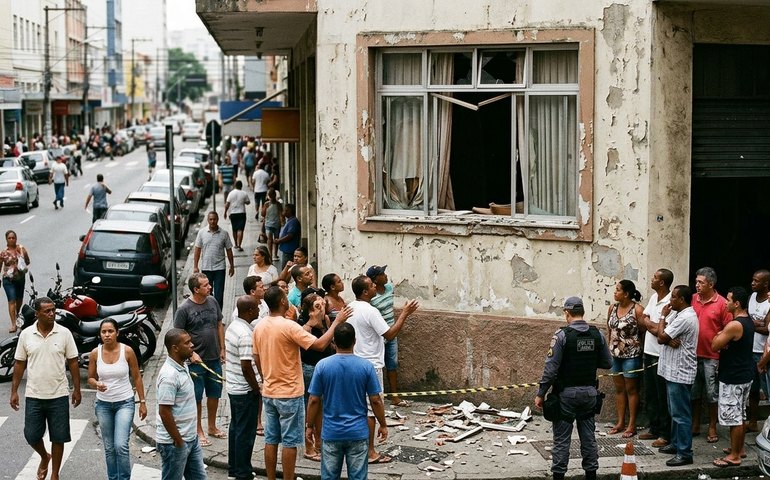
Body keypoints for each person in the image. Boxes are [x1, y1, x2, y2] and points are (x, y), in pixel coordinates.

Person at [253, 286, 350, 480]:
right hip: (289, 392)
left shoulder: (260, 326)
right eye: (285, 297)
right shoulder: (289, 326)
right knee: (289, 441)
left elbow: (256, 357)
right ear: (282, 302)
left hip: (270, 391)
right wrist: (337, 322)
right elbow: (320, 345)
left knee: (271, 439)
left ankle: (271, 478)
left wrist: (265, 379)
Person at [534, 296, 611, 480]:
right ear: (582, 312)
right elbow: (608, 362)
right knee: (589, 438)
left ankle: (559, 476)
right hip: (590, 394)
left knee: (561, 440)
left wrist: (540, 394)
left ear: (567, 313)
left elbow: (550, 370)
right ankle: (591, 474)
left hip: (566, 396)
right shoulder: (597, 334)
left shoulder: (562, 335)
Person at [347, 275, 419, 464]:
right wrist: (404, 314)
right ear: (364, 291)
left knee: (358, 408)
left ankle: (359, 448)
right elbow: (389, 334)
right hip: (371, 364)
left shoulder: (350, 307)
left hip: (353, 362)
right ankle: (370, 452)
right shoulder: (371, 311)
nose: (375, 287)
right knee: (371, 409)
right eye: (371, 286)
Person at [10, 297, 81, 480]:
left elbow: (73, 362)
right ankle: (44, 456)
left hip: (58, 394)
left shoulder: (64, 333)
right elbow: (19, 364)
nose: (52, 314)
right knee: (31, 435)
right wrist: (14, 391)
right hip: (34, 395)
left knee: (58, 437)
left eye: (53, 310)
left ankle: (55, 474)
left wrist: (77, 389)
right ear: (37, 314)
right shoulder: (26, 334)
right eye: (47, 311)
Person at [307, 323, 388, 480]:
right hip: (358, 432)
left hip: (331, 432)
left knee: (329, 476)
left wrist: (309, 426)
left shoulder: (322, 366)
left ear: (334, 342)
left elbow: (314, 400)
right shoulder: (366, 367)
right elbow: (375, 400)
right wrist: (383, 424)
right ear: (355, 341)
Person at [87, 318, 147, 480]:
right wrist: (97, 383)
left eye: (110, 331)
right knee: (109, 447)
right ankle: (113, 478)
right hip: (103, 405)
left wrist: (142, 402)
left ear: (117, 333)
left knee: (120, 445)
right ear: (100, 334)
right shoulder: (95, 353)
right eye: (104, 332)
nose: (107, 335)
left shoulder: (127, 351)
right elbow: (90, 378)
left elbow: (137, 377)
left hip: (125, 403)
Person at [173, 273, 226, 447]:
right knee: (196, 397)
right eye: (205, 285)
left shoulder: (212, 302)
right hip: (195, 361)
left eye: (209, 284)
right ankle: (198, 430)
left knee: (215, 393)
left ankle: (212, 426)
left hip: (214, 357)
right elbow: (177, 335)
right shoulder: (184, 309)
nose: (210, 287)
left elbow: (219, 323)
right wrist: (190, 354)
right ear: (196, 289)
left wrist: (222, 348)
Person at [653, 285, 699, 467]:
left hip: (679, 372)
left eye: (673, 297)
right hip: (671, 370)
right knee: (674, 412)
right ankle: (676, 443)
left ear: (681, 300)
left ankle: (684, 452)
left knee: (681, 414)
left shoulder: (686, 317)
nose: (670, 301)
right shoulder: (678, 315)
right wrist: (665, 333)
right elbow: (662, 334)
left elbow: (660, 336)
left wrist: (663, 317)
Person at [711, 286, 755, 468]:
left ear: (737, 303)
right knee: (739, 414)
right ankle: (739, 449)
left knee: (733, 416)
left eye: (729, 300)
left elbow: (715, 344)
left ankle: (735, 455)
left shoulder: (735, 325)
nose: (726, 302)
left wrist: (721, 335)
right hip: (744, 374)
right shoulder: (748, 321)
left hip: (733, 377)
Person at [156, 328, 207, 480]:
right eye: (187, 343)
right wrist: (178, 441)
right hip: (174, 443)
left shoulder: (182, 364)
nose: (192, 345)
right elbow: (164, 412)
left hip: (190, 438)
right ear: (175, 348)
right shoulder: (169, 376)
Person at [298, 289, 342, 461]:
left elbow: (329, 343)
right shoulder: (303, 326)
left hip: (324, 368)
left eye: (323, 304)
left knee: (322, 408)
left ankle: (319, 442)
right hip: (309, 369)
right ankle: (308, 446)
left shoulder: (325, 320)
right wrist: (335, 323)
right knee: (310, 407)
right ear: (309, 310)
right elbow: (319, 346)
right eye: (317, 306)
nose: (322, 308)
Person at [691, 266, 732, 442]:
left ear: (711, 284)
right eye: (696, 282)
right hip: (692, 355)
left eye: (701, 282)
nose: (697, 285)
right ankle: (695, 423)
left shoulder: (722, 303)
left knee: (711, 393)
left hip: (712, 357)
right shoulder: (692, 299)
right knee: (694, 392)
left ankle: (712, 426)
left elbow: (728, 329)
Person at [225, 296, 262, 480]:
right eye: (256, 307)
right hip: (244, 390)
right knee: (245, 434)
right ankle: (243, 472)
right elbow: (246, 366)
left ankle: (234, 468)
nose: (259, 308)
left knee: (236, 429)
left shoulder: (233, 326)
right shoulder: (245, 334)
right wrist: (256, 388)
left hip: (234, 388)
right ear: (249, 311)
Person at [638, 269, 674, 447]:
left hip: (661, 355)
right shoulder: (653, 298)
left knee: (662, 396)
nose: (651, 279)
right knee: (650, 394)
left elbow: (663, 331)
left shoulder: (671, 302)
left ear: (662, 283)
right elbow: (644, 319)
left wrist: (653, 326)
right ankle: (653, 427)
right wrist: (654, 326)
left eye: (655, 278)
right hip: (649, 352)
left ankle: (664, 433)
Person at [606, 280, 645, 438]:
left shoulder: (637, 310)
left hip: (631, 355)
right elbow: (609, 329)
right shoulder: (612, 308)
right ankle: (620, 422)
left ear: (626, 294)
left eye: (617, 290)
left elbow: (643, 331)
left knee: (631, 389)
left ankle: (632, 424)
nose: (615, 293)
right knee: (619, 389)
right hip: (615, 355)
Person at [367, 265, 409, 407]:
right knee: (376, 364)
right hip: (378, 333)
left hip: (392, 330)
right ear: (375, 279)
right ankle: (374, 396)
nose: (386, 276)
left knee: (392, 364)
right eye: (382, 274)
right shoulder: (372, 296)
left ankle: (394, 396)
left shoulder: (390, 288)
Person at [193, 211, 235, 308]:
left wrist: (232, 266)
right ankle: (209, 316)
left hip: (219, 268)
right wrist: (195, 266)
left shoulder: (224, 234)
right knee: (206, 294)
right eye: (210, 219)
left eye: (214, 219)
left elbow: (229, 250)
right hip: (206, 268)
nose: (212, 221)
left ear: (217, 220)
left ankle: (218, 317)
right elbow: (197, 250)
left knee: (219, 294)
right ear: (207, 220)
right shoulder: (202, 233)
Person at [747, 269, 770, 432]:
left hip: (763, 352)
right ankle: (753, 422)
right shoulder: (751, 297)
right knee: (753, 390)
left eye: (756, 281)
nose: (753, 283)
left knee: (767, 389)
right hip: (750, 349)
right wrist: (757, 324)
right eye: (753, 280)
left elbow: (767, 329)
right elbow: (746, 320)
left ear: (766, 284)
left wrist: (752, 325)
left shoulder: (769, 302)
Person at [0, 230, 30, 333]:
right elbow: (0, 266)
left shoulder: (21, 249)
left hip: (20, 279)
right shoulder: (3, 253)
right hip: (8, 280)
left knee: (19, 300)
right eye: (9, 238)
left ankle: (17, 314)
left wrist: (21, 260)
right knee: (11, 300)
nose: (11, 239)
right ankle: (13, 324)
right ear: (6, 240)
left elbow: (27, 261)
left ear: (16, 239)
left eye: (13, 238)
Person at [224, 180, 251, 251]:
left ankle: (235, 244)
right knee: (240, 229)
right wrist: (244, 201)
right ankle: (239, 245)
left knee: (234, 229)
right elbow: (248, 202)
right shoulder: (244, 193)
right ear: (241, 186)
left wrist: (225, 212)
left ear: (235, 185)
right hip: (242, 213)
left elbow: (227, 204)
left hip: (233, 213)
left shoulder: (231, 193)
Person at [275, 204, 300, 269]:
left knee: (286, 269)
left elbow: (290, 235)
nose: (284, 212)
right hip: (287, 249)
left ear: (290, 211)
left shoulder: (293, 222)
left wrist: (279, 240)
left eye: (286, 210)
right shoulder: (289, 220)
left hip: (289, 250)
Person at [262, 188, 282, 259]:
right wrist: (282, 222)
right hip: (274, 224)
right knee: (274, 240)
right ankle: (274, 255)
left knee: (270, 240)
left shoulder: (267, 204)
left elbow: (262, 214)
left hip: (270, 224)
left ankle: (271, 255)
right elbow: (281, 214)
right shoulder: (278, 204)